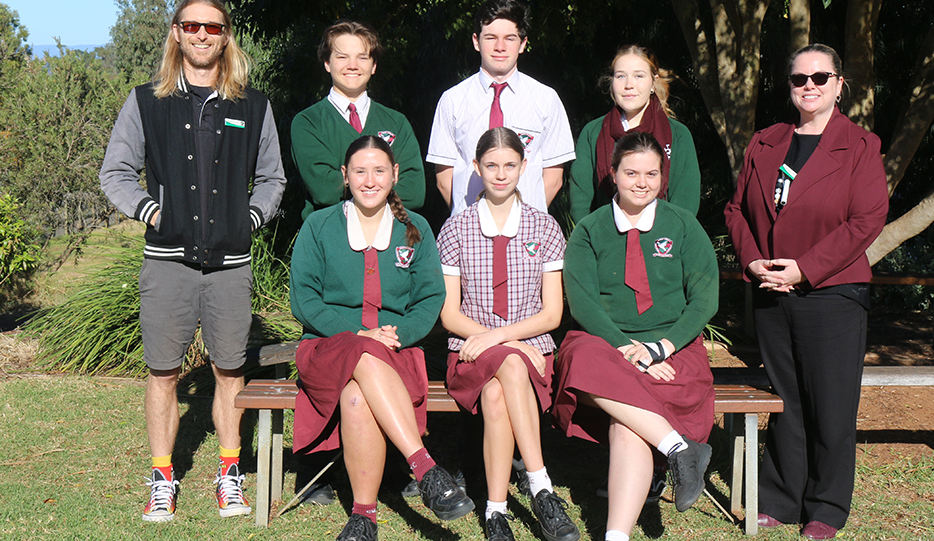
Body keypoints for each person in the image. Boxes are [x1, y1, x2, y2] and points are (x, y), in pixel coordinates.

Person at [99, 0, 285, 522]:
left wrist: (248, 220)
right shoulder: (145, 101)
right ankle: (162, 479)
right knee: (163, 374)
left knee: (229, 370)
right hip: (167, 265)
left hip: (230, 267)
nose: (202, 34)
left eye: (213, 27)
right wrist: (153, 213)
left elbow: (272, 178)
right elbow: (115, 172)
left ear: (226, 37)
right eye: (192, 25)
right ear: (176, 33)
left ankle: (229, 474)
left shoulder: (253, 105)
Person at [724, 44, 889, 540]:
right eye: (799, 79)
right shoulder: (766, 141)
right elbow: (736, 210)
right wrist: (752, 260)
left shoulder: (860, 145)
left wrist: (805, 269)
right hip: (771, 289)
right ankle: (781, 496)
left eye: (820, 77)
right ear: (790, 86)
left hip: (831, 292)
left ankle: (826, 506)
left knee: (831, 404)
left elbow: (867, 219)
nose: (809, 86)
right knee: (786, 399)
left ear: (840, 84)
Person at [290, 136, 473, 541]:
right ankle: (425, 467)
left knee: (357, 396)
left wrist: (398, 334)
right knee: (363, 352)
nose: (369, 180)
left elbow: (430, 297)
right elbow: (304, 298)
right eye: (360, 171)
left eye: (379, 171)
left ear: (394, 175)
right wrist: (359, 333)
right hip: (327, 346)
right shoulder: (319, 226)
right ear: (345, 176)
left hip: (395, 349)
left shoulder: (415, 228)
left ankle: (363, 517)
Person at [553, 132, 718, 541]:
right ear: (613, 174)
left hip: (673, 348)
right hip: (607, 344)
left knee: (628, 424)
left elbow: (704, 298)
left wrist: (660, 347)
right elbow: (584, 304)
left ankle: (616, 536)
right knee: (578, 359)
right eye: (631, 173)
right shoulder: (590, 230)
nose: (642, 183)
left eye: (651, 174)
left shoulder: (683, 225)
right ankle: (679, 448)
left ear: (663, 176)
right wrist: (629, 351)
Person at [437, 128, 579, 541]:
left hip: (532, 351)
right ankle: (541, 486)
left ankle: (495, 512)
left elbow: (552, 314)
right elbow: (449, 314)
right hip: (471, 350)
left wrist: (505, 340)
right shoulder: (456, 229)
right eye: (491, 165)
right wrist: (505, 342)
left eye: (510, 165)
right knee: (510, 365)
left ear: (524, 166)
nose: (501, 174)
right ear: (476, 168)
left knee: (499, 391)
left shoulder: (545, 227)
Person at [427, 0, 575, 216]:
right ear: (476, 41)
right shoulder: (452, 100)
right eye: (491, 37)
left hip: (527, 230)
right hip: (470, 229)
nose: (500, 47)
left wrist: (522, 220)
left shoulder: (546, 99)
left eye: (509, 38)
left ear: (523, 44)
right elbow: (444, 178)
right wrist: (471, 221)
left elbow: (553, 178)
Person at [291, 20, 425, 220]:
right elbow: (325, 191)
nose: (352, 66)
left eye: (362, 57)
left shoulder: (396, 123)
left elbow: (414, 191)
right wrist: (383, 182)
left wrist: (348, 183)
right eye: (342, 57)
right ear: (327, 63)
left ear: (374, 65)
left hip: (390, 233)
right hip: (330, 233)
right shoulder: (308, 123)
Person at [568, 45, 700, 224]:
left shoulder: (678, 135)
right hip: (605, 235)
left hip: (664, 237)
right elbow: (581, 202)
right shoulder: (593, 133)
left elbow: (686, 203)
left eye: (639, 76)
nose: (629, 85)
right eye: (621, 76)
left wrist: (664, 236)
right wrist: (598, 235)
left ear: (653, 82)